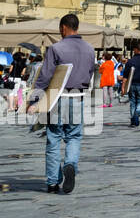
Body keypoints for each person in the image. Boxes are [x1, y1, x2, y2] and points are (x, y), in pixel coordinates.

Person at [27, 13, 95, 194]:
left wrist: (34, 100)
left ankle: (52, 182)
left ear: (64, 28)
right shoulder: (90, 49)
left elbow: (45, 77)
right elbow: (90, 75)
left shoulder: (56, 48)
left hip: (58, 98)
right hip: (78, 97)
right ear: (77, 27)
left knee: (54, 138)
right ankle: (70, 164)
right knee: (74, 136)